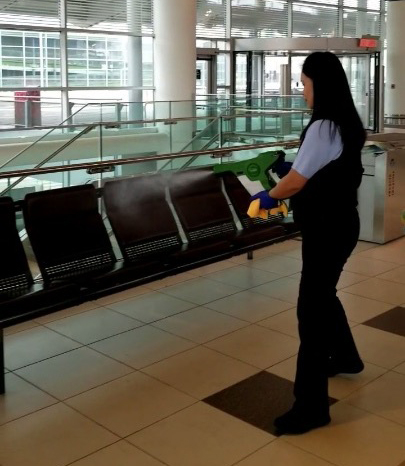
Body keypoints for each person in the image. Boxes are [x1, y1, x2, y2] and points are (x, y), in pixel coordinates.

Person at [251, 51, 366, 435]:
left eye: (303, 83)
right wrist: (295, 171)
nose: (302, 91)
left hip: (326, 228)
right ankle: (346, 358)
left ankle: (311, 407)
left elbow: (298, 182)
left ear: (320, 82)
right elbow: (318, 168)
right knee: (324, 294)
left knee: (311, 312)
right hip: (341, 223)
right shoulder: (347, 122)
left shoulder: (323, 126)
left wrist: (270, 195)